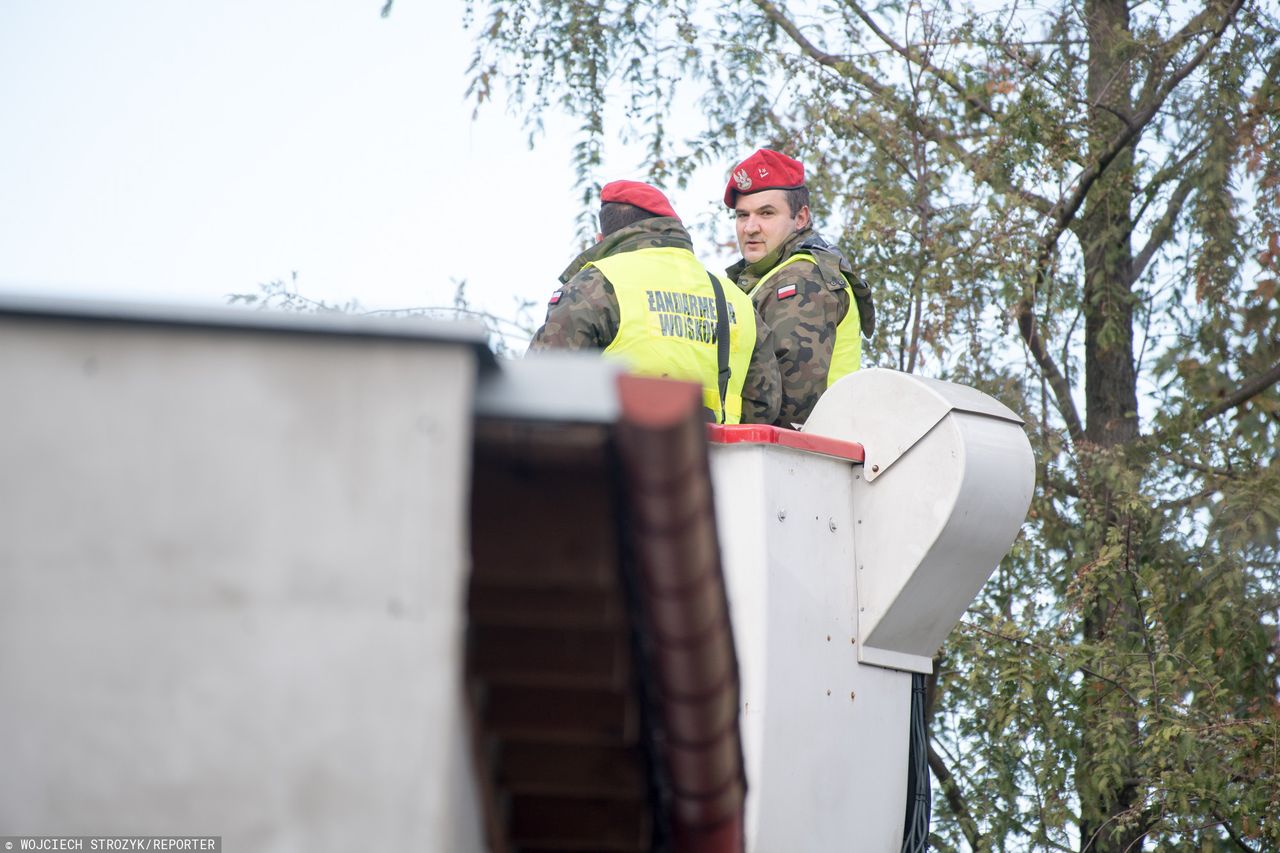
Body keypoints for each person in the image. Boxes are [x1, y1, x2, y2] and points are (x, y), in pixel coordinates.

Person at [529, 179, 781, 425]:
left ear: (601, 239)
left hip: (617, 462)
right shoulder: (736, 298)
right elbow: (763, 404)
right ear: (673, 229)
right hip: (718, 465)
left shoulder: (596, 285)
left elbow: (540, 389)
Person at [723, 148, 875, 427]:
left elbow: (790, 410)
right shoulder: (768, 276)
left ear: (801, 218)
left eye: (766, 213)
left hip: (795, 457)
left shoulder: (801, 279)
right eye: (742, 216)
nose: (750, 227)